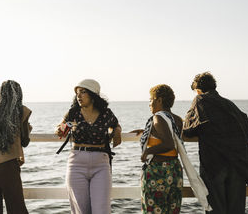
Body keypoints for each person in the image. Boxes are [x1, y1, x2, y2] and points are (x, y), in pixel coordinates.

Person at [183, 72, 248, 214]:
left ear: (198, 89)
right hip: (238, 163)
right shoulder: (229, 104)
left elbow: (188, 130)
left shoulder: (200, 100)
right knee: (236, 210)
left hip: (215, 164)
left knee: (216, 208)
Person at [55, 79, 122, 214]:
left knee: (101, 210)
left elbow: (116, 125)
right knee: (80, 210)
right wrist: (63, 128)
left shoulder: (106, 113)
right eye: (77, 93)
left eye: (83, 92)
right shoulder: (73, 113)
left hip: (101, 164)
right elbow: (59, 130)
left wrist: (117, 132)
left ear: (93, 95)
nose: (79, 96)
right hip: (76, 163)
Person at [0, 80, 32, 214]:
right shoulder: (20, 111)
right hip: (7, 167)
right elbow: (25, 141)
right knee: (16, 209)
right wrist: (28, 128)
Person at [137, 84, 184, 214]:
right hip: (174, 170)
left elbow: (168, 143)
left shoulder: (158, 117)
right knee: (172, 210)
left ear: (159, 100)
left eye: (151, 99)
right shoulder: (178, 120)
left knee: (153, 210)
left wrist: (147, 151)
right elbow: (170, 137)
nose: (149, 103)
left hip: (158, 171)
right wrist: (147, 131)